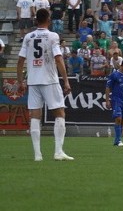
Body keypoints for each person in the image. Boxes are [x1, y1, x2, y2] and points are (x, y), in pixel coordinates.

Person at [16, 8, 73, 161]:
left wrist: (21, 81)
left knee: (35, 116)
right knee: (60, 113)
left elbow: (20, 60)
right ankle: (58, 152)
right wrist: (66, 80)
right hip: (49, 79)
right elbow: (59, 58)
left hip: (33, 81)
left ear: (36, 21)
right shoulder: (52, 36)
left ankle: (37, 155)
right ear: (48, 20)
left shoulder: (28, 37)